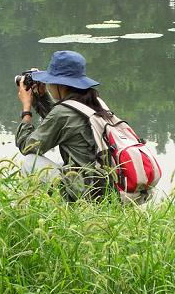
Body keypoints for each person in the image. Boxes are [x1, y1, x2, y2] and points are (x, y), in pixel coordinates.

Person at [15, 50, 112, 201]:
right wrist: (41, 97)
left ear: (61, 84)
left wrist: (26, 109)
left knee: (30, 161)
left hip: (87, 192)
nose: (49, 84)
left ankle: (33, 208)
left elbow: (27, 146)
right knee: (61, 165)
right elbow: (61, 122)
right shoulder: (96, 103)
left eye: (51, 81)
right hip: (105, 185)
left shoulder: (64, 113)